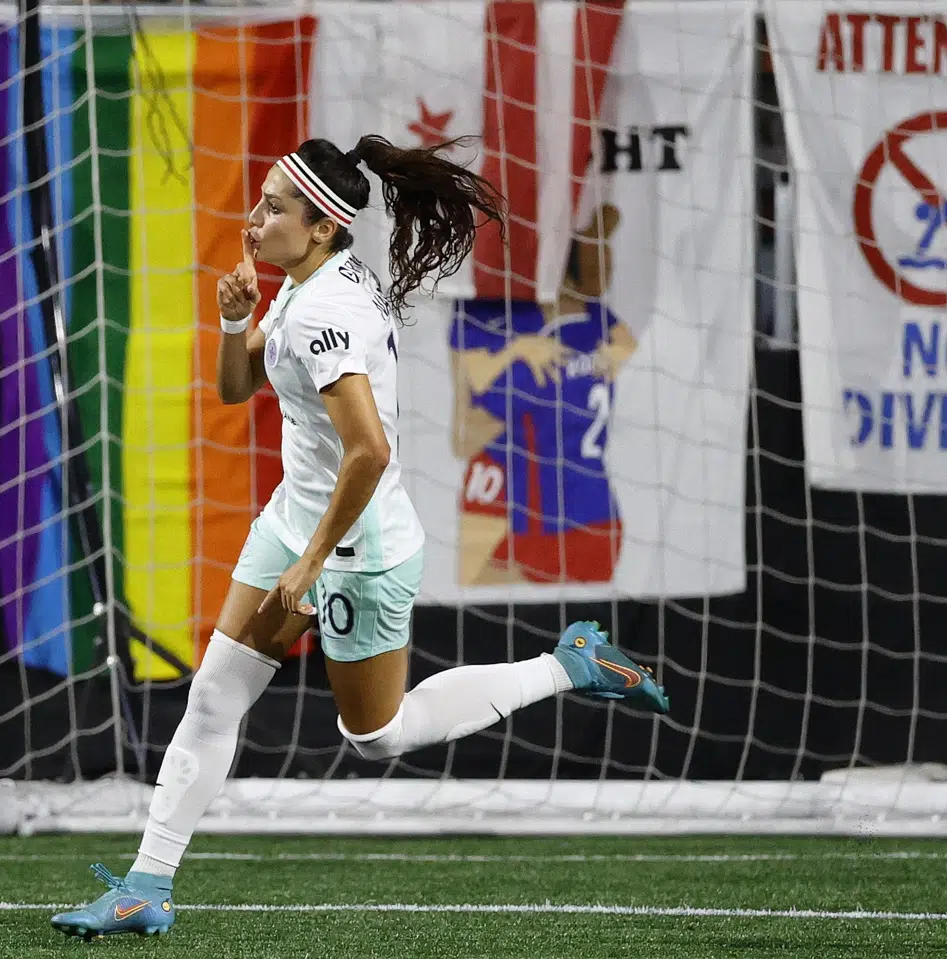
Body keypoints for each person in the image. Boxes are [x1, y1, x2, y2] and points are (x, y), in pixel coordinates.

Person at [51, 136, 670, 941]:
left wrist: (314, 560)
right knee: (212, 696)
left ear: (318, 226)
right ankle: (146, 886)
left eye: (274, 207)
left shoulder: (325, 310)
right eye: (262, 197)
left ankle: (569, 663)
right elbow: (238, 389)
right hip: (297, 516)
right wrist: (234, 320)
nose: (255, 216)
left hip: (357, 544)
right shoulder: (304, 282)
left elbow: (370, 452)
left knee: (375, 737)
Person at [451, 204, 637, 586]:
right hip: (545, 512)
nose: (607, 261)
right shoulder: (591, 328)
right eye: (596, 246)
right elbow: (465, 433)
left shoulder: (587, 328)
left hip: (562, 517)